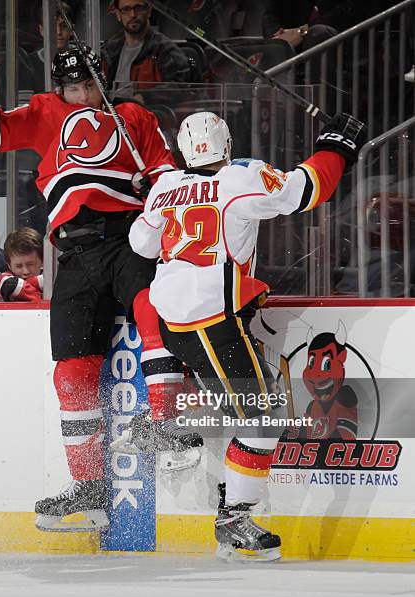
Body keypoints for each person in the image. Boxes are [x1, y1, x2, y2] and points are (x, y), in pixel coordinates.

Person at [0, 44, 202, 533]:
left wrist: (162, 204)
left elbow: (166, 174)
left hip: (130, 236)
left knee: (154, 309)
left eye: (89, 85)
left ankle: (166, 423)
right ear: (59, 88)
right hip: (74, 256)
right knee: (70, 373)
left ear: (103, 82)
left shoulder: (133, 116)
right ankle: (89, 491)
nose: (82, 95)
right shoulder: (46, 111)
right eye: (72, 87)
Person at [128, 110, 367, 561]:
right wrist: (334, 149)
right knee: (263, 414)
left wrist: (155, 199)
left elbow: (141, 244)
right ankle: (232, 514)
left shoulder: (164, 187)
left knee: (249, 404)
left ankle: (170, 421)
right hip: (211, 322)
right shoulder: (240, 178)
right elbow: (306, 189)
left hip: (177, 320)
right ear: (227, 145)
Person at [102, 0, 191, 91]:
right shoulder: (108, 50)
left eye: (139, 8)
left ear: (149, 11)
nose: (133, 14)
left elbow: (180, 87)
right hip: (113, 104)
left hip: (146, 105)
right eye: (126, 9)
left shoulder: (165, 50)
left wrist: (145, 97)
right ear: (118, 14)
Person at [25, 1, 77, 94]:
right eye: (52, 26)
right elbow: (26, 106)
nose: (58, 32)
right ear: (41, 30)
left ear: (72, 29)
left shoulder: (84, 58)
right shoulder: (28, 63)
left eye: (64, 26)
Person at [0, 227, 43, 302]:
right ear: (9, 266)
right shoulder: (5, 280)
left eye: (30, 264)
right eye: (18, 266)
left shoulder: (51, 280)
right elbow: (11, 286)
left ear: (42, 261)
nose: (26, 271)